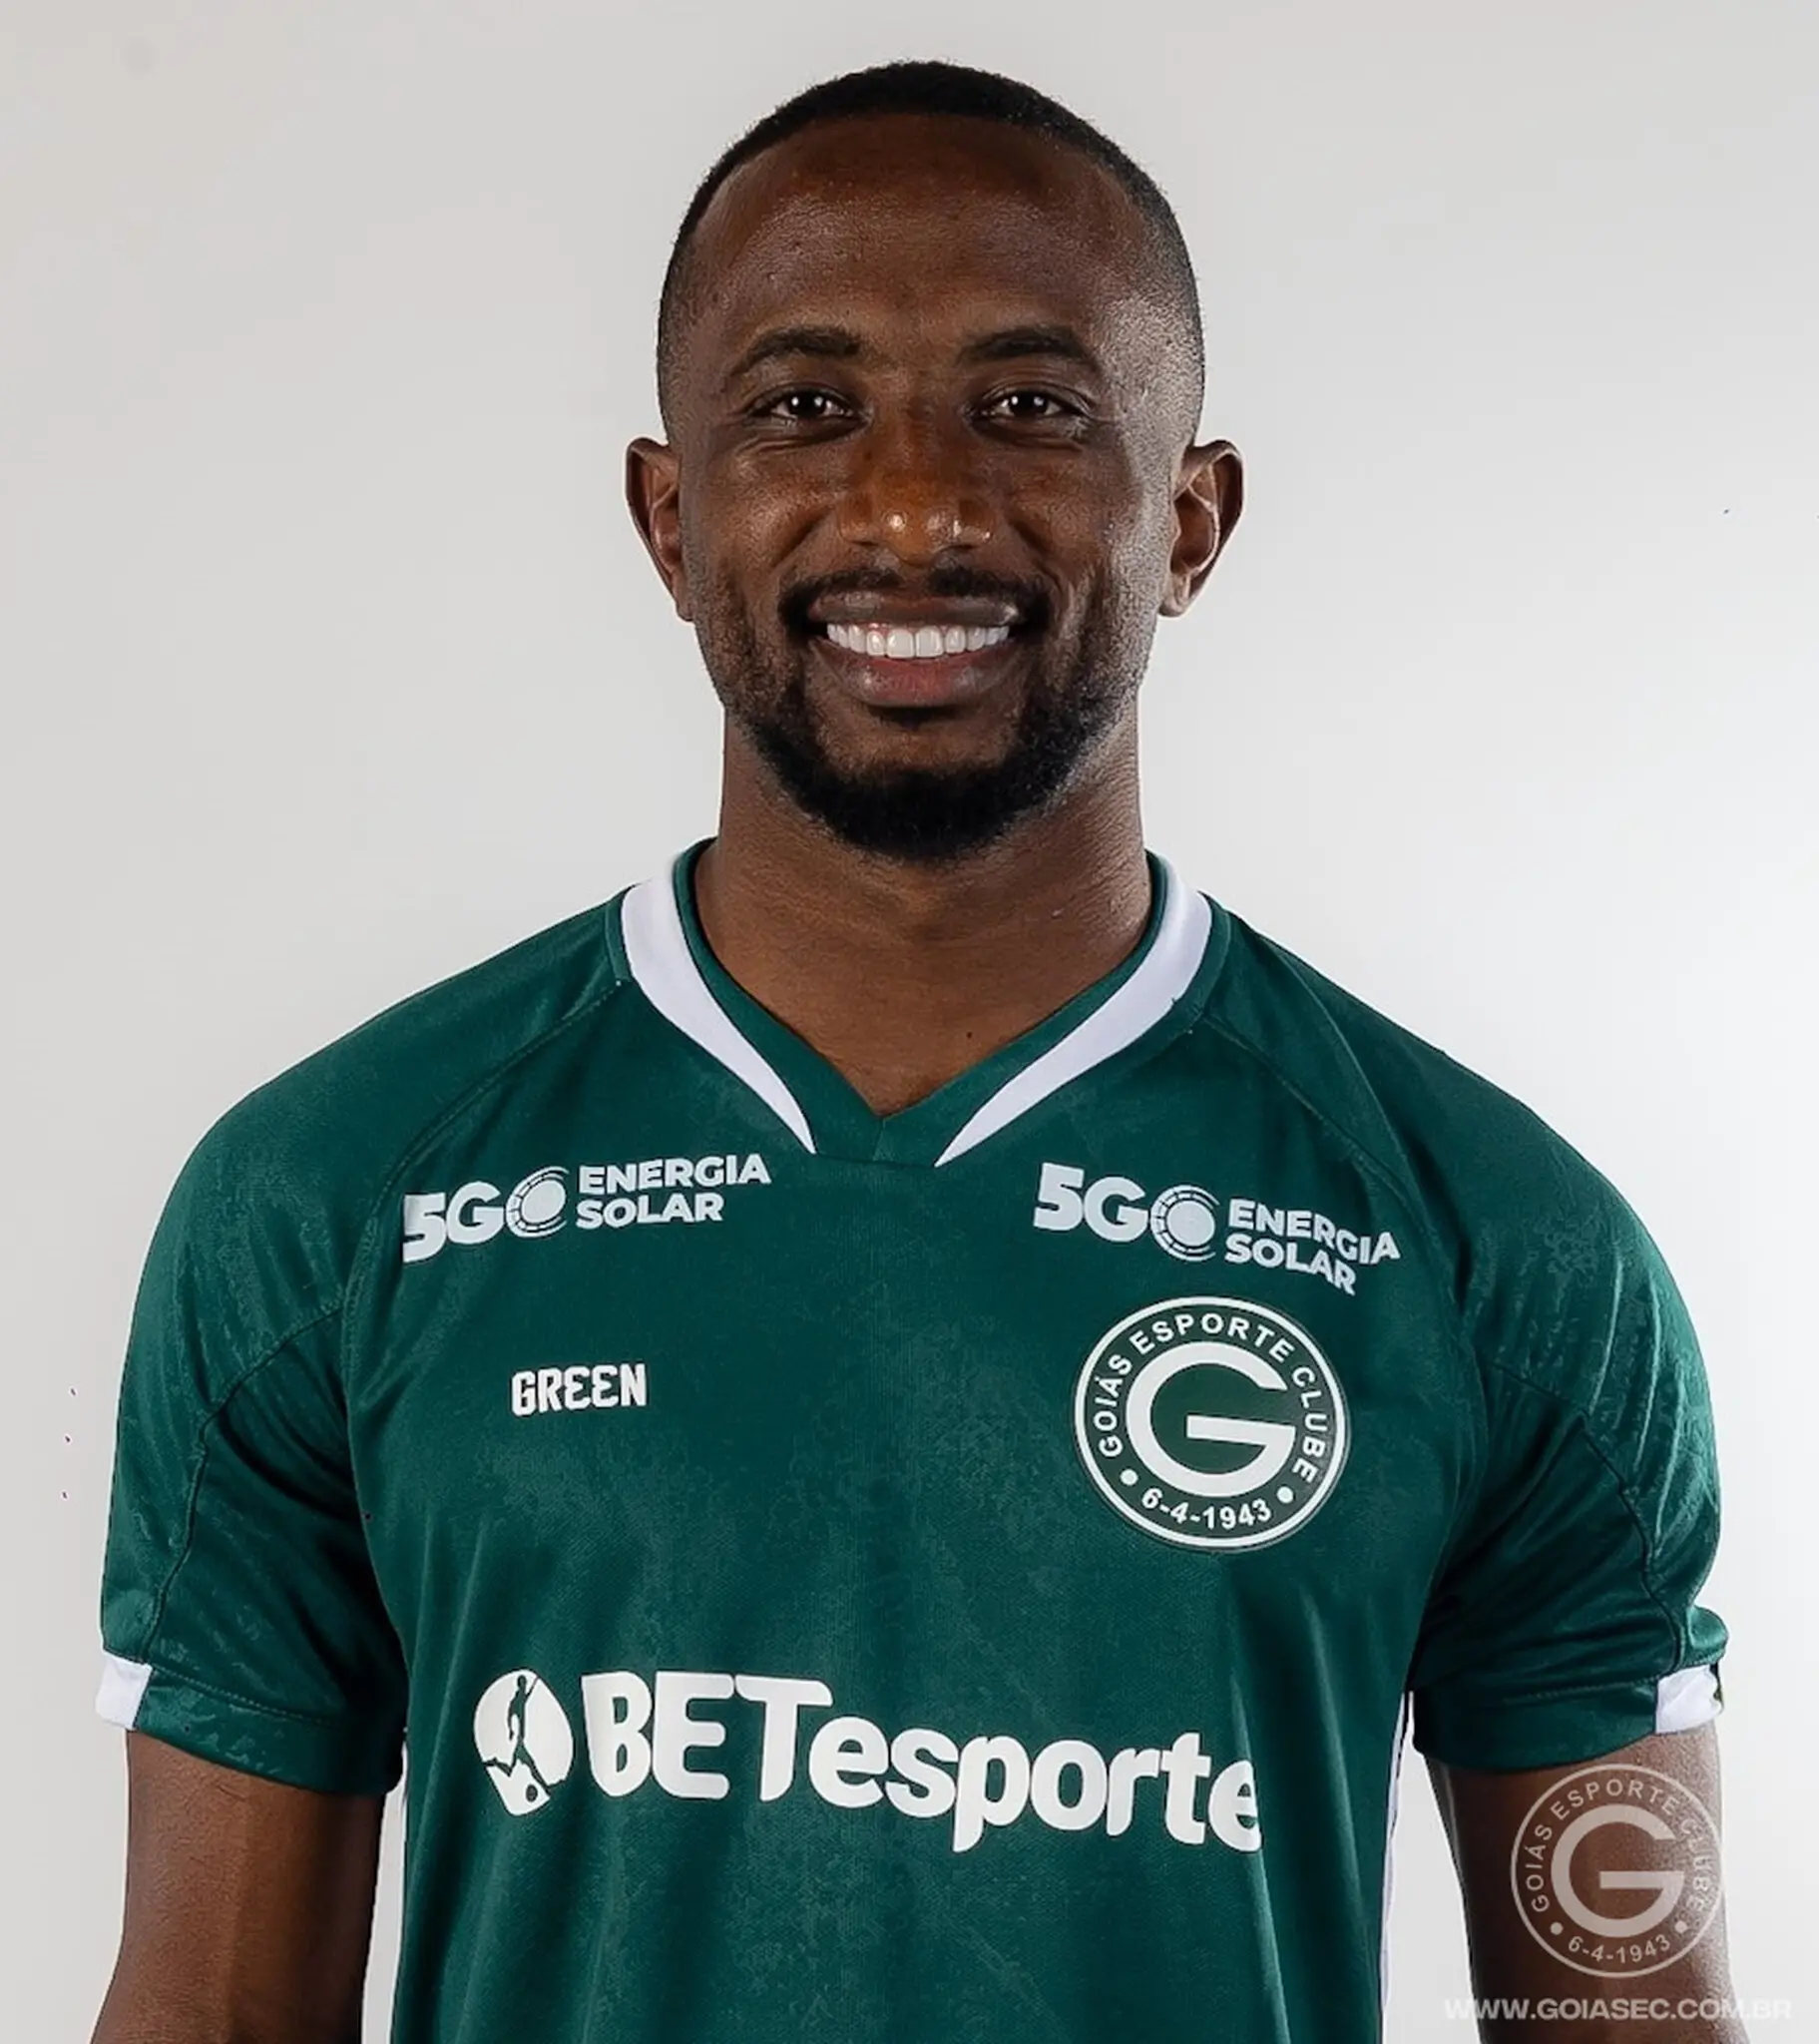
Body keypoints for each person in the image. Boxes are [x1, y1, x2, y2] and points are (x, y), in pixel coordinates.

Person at [91, 59, 1744, 2044]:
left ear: (1189, 519)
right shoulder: (331, 1205)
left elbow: (1633, 2020)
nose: (912, 509)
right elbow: (208, 2013)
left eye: (1030, 409)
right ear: (668, 516)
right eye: (805, 408)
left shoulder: (1499, 1256)